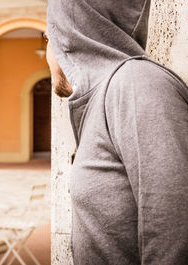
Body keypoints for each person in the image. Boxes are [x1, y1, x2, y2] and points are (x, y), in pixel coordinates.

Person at [46, 0, 188, 264]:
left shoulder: (137, 85)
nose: (47, 49)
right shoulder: (106, 98)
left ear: (72, 35)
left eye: (49, 36)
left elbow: (175, 239)